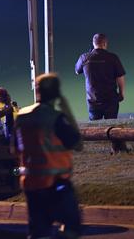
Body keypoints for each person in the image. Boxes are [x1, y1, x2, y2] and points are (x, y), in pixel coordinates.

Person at [14, 73, 82, 239]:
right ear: (57, 92)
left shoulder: (22, 116)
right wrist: (66, 108)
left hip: (30, 182)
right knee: (72, 226)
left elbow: (15, 147)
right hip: (56, 182)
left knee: (38, 232)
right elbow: (77, 144)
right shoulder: (56, 118)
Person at [75, 33, 126, 120]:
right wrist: (121, 94)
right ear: (105, 44)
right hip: (111, 100)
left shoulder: (84, 58)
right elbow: (120, 77)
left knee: (95, 128)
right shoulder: (113, 57)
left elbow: (77, 71)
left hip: (93, 100)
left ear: (93, 43)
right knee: (112, 127)